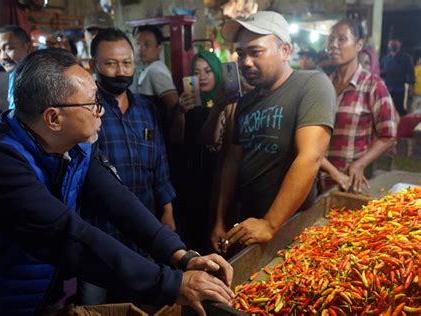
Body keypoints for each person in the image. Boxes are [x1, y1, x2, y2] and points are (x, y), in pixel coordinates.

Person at [0, 48, 234, 316]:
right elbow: (65, 234)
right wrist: (171, 284)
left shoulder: (74, 146)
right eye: (93, 103)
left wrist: (181, 256)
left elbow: (118, 201)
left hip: (43, 296)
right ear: (53, 118)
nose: (102, 111)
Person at [210, 11, 336, 252]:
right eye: (241, 53)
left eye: (255, 52)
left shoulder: (311, 85)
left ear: (285, 51)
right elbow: (233, 162)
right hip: (247, 225)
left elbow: (310, 157)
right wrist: (219, 219)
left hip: (291, 227)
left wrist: (269, 223)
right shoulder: (246, 102)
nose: (245, 62)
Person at [77, 28, 177, 304]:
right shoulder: (84, 108)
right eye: (110, 64)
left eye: (127, 63)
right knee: (92, 304)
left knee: (144, 302)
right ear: (93, 65)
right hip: (98, 231)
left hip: (144, 229)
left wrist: (167, 212)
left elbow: (160, 161)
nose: (120, 70)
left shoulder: (146, 108)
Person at [170, 51, 238, 253]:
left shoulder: (228, 103)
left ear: (218, 73)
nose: (202, 76)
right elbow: (175, 139)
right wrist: (181, 112)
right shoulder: (186, 102)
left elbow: (216, 143)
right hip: (189, 177)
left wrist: (220, 106)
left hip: (215, 176)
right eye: (196, 71)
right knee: (191, 230)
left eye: (208, 71)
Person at [320, 19, 397, 193]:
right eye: (330, 39)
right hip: (315, 179)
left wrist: (360, 164)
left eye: (341, 39)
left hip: (346, 183)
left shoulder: (373, 85)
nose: (333, 45)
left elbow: (388, 135)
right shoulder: (322, 85)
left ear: (359, 45)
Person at [134, 25, 179, 132]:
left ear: (159, 48)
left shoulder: (155, 70)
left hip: (156, 131)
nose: (141, 49)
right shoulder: (148, 68)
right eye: (138, 44)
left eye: (147, 45)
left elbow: (174, 103)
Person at [0, 25, 33, 109]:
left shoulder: (40, 77)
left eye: (9, 48)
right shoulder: (15, 73)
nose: (3, 57)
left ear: (28, 48)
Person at [380, 36, 415, 116]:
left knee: (400, 110)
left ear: (400, 44)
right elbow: (380, 72)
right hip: (387, 90)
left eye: (395, 41)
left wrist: (412, 87)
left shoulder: (406, 58)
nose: (393, 43)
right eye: (391, 41)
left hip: (400, 90)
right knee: (386, 111)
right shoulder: (385, 58)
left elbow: (411, 73)